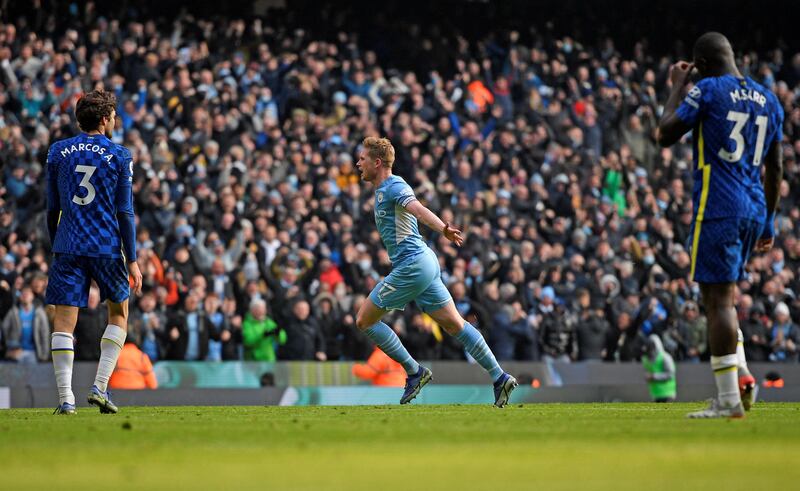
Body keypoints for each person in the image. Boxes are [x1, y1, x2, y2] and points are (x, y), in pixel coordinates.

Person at [658, 32, 783, 418]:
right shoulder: (770, 98)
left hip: (719, 205)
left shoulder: (709, 89)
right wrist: (769, 221)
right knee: (719, 299)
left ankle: (729, 400)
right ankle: (741, 375)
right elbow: (775, 168)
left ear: (703, 65)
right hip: (753, 207)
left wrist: (678, 87)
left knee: (718, 302)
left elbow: (663, 134)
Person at [354, 137, 516, 407]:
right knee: (455, 325)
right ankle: (499, 377)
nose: (358, 163)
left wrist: (443, 228)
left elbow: (417, 209)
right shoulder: (383, 189)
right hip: (424, 263)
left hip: (413, 264)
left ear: (377, 162)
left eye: (362, 158)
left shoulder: (394, 186)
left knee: (364, 320)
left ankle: (414, 371)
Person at [45, 90, 143, 415]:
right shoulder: (119, 155)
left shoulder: (58, 151)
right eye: (113, 116)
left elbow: (51, 206)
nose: (115, 121)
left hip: (68, 245)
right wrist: (134, 259)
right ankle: (100, 387)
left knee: (64, 321)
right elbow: (125, 213)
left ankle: (65, 400)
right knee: (119, 313)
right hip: (105, 247)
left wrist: (54, 241)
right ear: (104, 119)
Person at [1, 285, 50, 363]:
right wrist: (11, 346)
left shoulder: (39, 312)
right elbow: (4, 329)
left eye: (28, 294)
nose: (25, 296)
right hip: (16, 353)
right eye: (23, 294)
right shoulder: (14, 311)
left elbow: (45, 333)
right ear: (20, 297)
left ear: (32, 297)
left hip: (34, 352)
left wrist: (44, 354)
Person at [642, 334, 677, 403]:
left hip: (667, 393)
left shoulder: (665, 357)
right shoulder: (646, 359)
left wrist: (654, 376)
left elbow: (670, 374)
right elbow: (647, 371)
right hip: (655, 393)